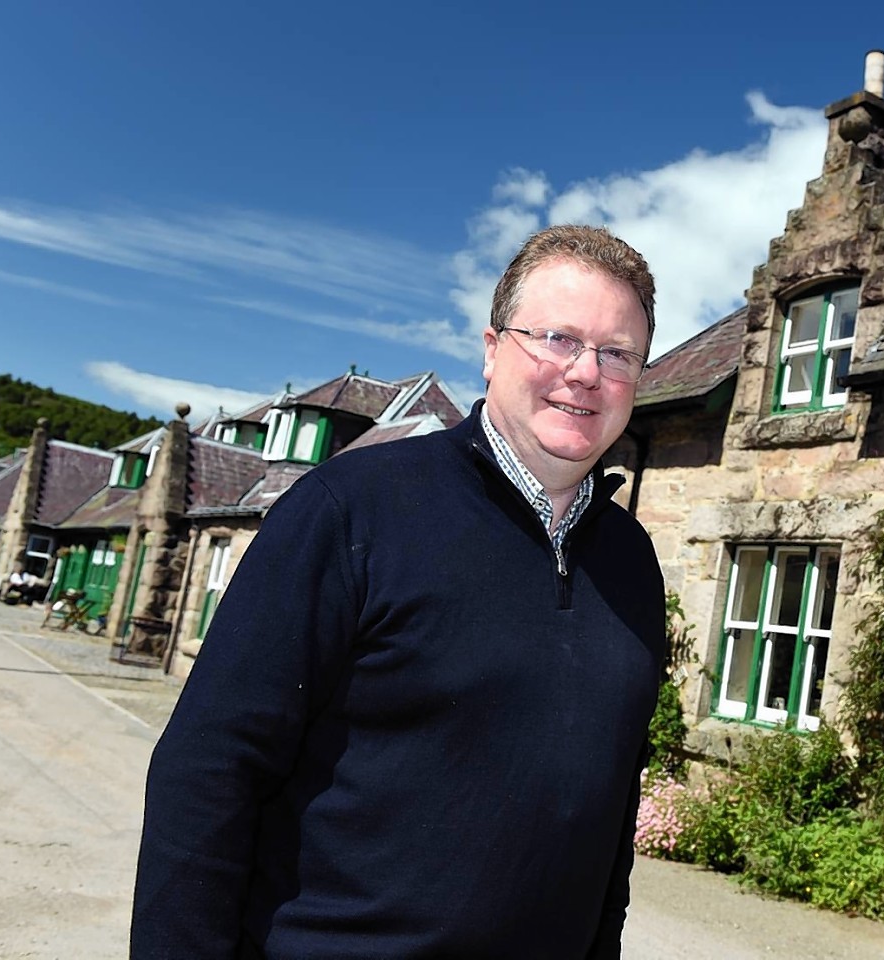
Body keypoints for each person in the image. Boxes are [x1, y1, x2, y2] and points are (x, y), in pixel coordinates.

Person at [132, 225, 667, 959]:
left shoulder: (633, 563)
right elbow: (209, 772)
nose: (584, 372)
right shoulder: (351, 508)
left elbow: (609, 818)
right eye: (556, 338)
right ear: (491, 348)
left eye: (617, 354)